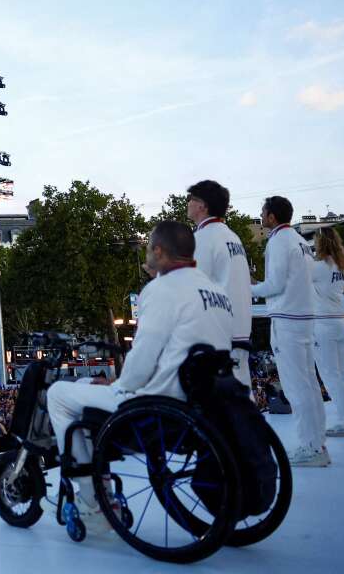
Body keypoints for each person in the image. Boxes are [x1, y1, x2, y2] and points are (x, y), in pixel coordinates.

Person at [46, 221, 235, 523]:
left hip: (160, 403)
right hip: (204, 400)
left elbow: (142, 363)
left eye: (148, 248)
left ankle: (93, 503)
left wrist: (116, 383)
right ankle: (99, 480)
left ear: (159, 251)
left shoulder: (160, 290)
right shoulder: (215, 290)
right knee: (85, 385)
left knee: (58, 395)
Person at [252, 197, 328, 466]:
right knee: (308, 384)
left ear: (271, 217)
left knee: (296, 387)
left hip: (288, 318)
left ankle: (311, 447)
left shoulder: (279, 241)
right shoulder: (297, 240)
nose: (260, 216)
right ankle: (317, 443)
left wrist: (248, 289)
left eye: (262, 212)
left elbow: (274, 284)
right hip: (305, 316)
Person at [187, 180, 254, 386]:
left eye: (191, 199)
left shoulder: (203, 238)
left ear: (202, 206)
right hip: (240, 328)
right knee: (242, 399)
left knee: (220, 404)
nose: (187, 203)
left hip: (218, 333)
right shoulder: (232, 236)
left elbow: (193, 285)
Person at [312, 227, 344, 436]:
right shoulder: (340, 266)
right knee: (342, 374)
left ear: (321, 243)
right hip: (340, 321)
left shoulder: (318, 267)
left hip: (323, 324)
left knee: (330, 375)